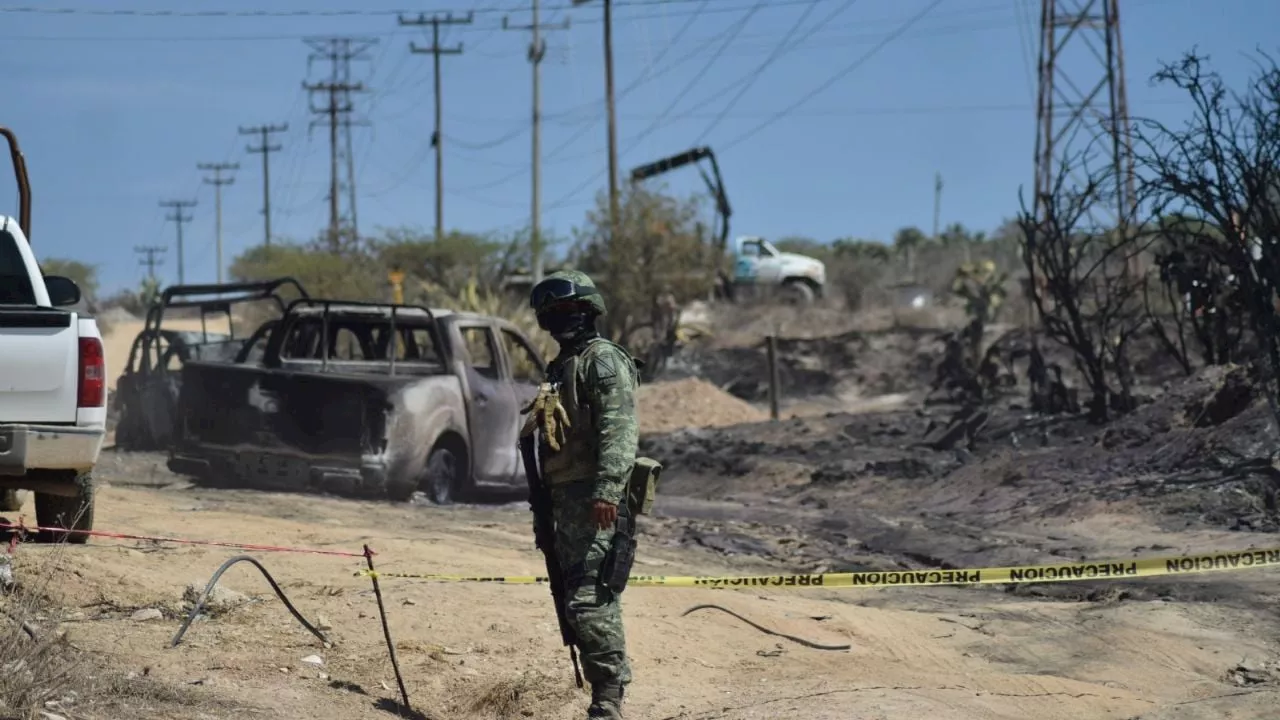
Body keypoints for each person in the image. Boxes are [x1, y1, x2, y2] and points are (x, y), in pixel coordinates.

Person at [527, 270, 640, 719]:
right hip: (565, 500)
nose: (562, 319)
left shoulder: (602, 360)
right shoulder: (562, 366)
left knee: (590, 599)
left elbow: (620, 432)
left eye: (570, 310)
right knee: (574, 595)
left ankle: (608, 699)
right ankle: (604, 694)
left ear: (589, 311)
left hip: (597, 500)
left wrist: (608, 490)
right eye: (553, 313)